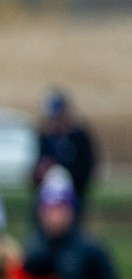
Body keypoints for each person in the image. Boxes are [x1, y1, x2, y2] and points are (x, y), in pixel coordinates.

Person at [35, 89, 98, 217]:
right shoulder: (45, 138)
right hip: (49, 198)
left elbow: (88, 166)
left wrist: (66, 174)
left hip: (75, 195)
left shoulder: (79, 137)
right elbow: (37, 165)